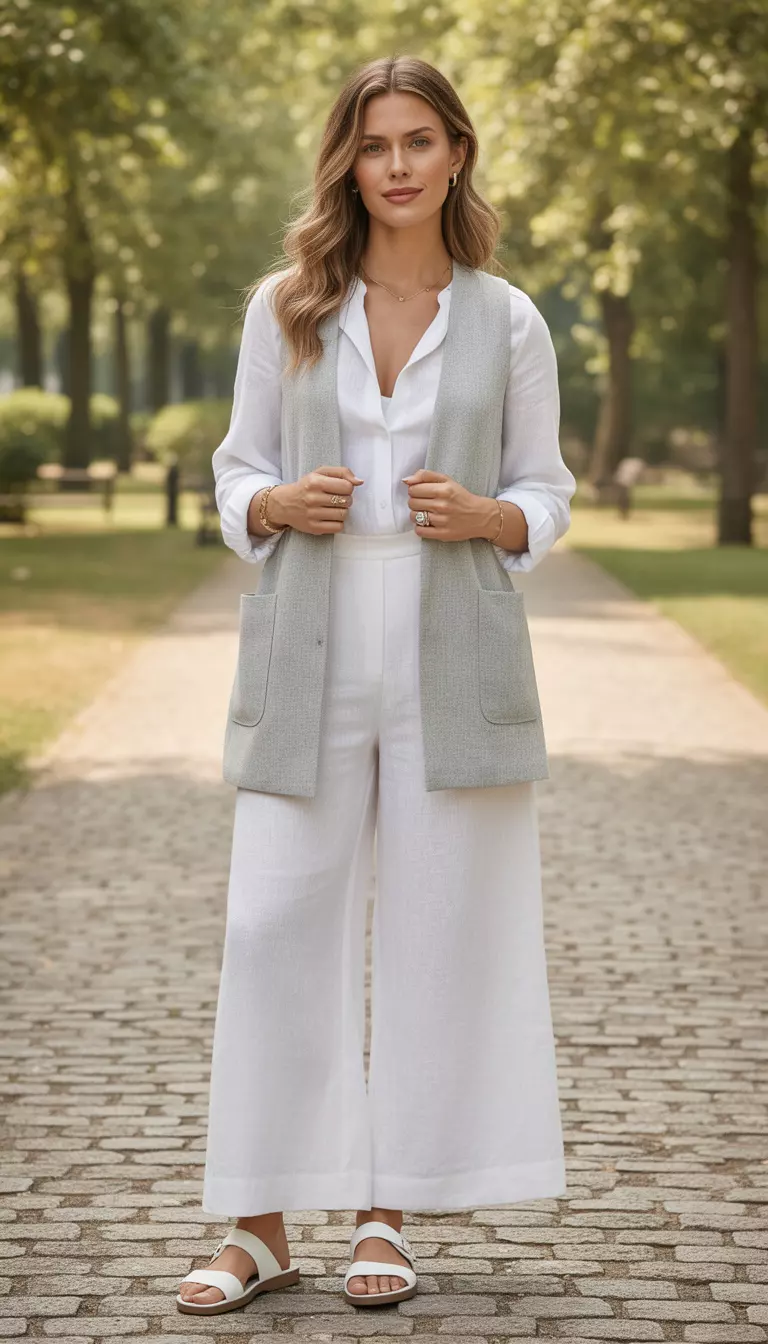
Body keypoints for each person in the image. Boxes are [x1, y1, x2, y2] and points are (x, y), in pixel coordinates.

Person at [176, 54, 576, 1317]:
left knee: (438, 929)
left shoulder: (507, 319)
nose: (397, 164)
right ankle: (255, 1223)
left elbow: (550, 493)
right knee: (271, 920)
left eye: (419, 140)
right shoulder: (288, 305)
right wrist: (275, 502)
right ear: (347, 162)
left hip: (453, 649)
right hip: (309, 642)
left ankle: (387, 1212)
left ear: (456, 152)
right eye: (373, 143)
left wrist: (497, 517)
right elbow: (235, 474)